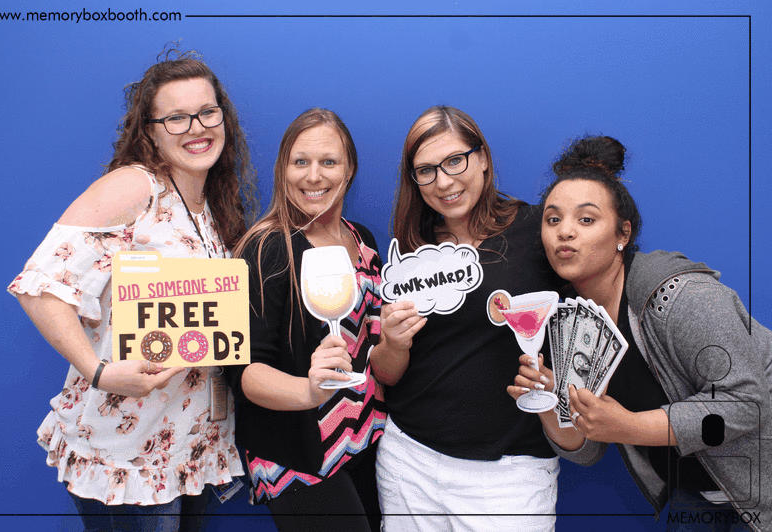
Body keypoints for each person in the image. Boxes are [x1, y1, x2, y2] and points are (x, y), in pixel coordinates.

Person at [7, 48, 256, 531]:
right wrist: (99, 372)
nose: (197, 127)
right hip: (128, 455)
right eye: (176, 118)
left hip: (189, 449)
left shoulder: (209, 206)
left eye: (207, 112)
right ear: (150, 131)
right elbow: (40, 285)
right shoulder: (135, 187)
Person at [509, 135, 772, 531]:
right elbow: (586, 450)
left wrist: (628, 427)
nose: (565, 232)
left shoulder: (680, 295)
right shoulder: (574, 327)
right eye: (553, 219)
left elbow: (747, 405)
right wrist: (549, 404)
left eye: (586, 219)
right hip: (695, 496)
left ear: (623, 234)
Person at [373, 105, 564, 532]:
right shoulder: (412, 250)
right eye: (426, 171)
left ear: (483, 159)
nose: (443, 181)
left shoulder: (538, 230)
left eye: (455, 160)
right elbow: (386, 374)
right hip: (409, 459)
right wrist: (393, 342)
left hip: (508, 474)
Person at [227, 108, 386, 532]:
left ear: (349, 169)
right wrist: (309, 391)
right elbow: (245, 372)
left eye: (328, 161)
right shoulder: (268, 249)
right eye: (301, 162)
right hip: (299, 455)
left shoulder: (362, 240)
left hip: (364, 437)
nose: (313, 176)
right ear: (283, 169)